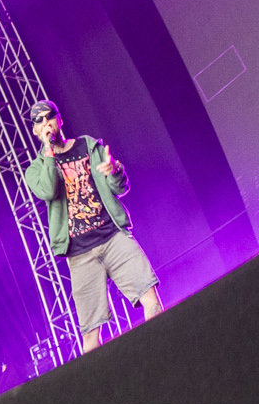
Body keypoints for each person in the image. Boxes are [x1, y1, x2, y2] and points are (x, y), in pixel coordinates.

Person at [24, 99, 164, 352]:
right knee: (90, 335)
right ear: (35, 130)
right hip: (80, 256)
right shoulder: (35, 169)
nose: (46, 123)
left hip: (113, 238)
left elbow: (119, 188)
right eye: (39, 121)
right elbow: (48, 190)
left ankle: (163, 352)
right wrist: (49, 153)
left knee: (150, 298)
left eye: (49, 117)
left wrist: (115, 171)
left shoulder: (88, 146)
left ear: (59, 120)